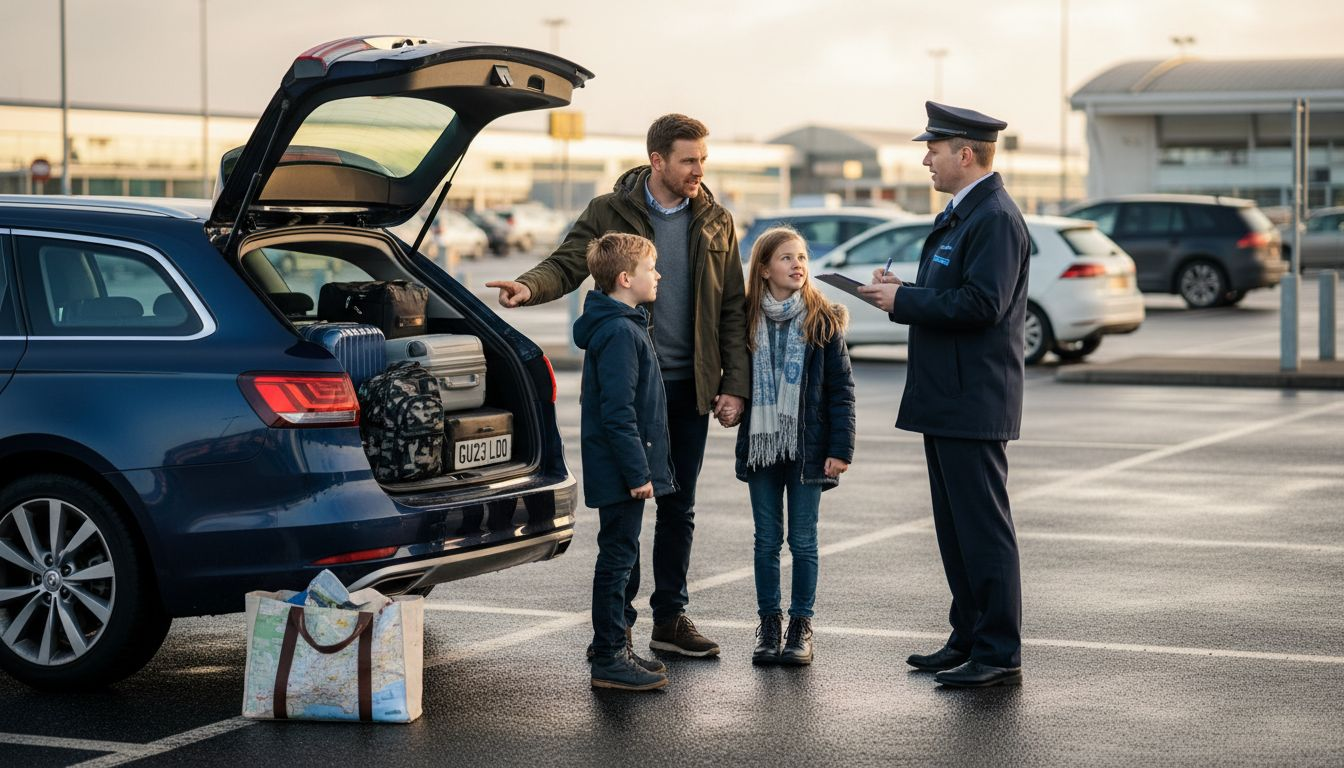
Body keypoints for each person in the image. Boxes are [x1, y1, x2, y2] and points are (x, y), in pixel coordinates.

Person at [487, 114, 749, 658]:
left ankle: (670, 619)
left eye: (703, 159)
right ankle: (617, 629)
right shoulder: (609, 210)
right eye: (689, 160)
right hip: (632, 389)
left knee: (679, 507)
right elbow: (566, 263)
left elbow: (731, 306)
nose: (699, 170)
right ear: (658, 160)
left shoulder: (716, 220)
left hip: (690, 387)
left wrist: (734, 384)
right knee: (625, 512)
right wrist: (528, 287)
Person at [857, 102, 1030, 688]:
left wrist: (904, 301)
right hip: (947, 395)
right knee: (956, 531)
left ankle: (998, 651)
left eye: (933, 150)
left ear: (966, 154)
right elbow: (953, 292)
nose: (926, 160)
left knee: (983, 530)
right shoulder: (962, 214)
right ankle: (968, 636)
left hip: (972, 398)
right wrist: (902, 291)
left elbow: (984, 304)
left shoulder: (994, 219)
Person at [734, 227, 855, 666]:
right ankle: (769, 625)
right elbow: (732, 375)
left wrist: (841, 449)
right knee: (766, 540)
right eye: (786, 258)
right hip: (762, 445)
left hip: (809, 448)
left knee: (803, 541)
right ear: (764, 269)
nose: (797, 264)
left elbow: (841, 391)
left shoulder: (823, 321)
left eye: (801, 257)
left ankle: (801, 625)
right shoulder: (744, 319)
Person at [572, 233, 676, 691]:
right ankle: (609, 656)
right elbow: (618, 413)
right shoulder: (618, 332)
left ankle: (615, 649)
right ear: (625, 279)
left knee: (622, 557)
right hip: (620, 471)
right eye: (651, 268)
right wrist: (638, 473)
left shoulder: (625, 324)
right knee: (617, 561)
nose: (659, 275)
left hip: (621, 467)